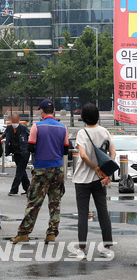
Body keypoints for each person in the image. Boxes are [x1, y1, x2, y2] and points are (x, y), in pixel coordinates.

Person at [12, 99, 69, 244]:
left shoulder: (36, 126)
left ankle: (24, 233)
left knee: (34, 202)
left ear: (41, 111)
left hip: (41, 168)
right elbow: (66, 149)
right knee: (55, 202)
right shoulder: (63, 127)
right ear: (54, 111)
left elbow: (30, 147)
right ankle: (51, 233)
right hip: (58, 168)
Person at [69, 103, 114, 259]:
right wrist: (105, 173)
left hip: (82, 179)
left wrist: (95, 168)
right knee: (103, 212)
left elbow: (82, 155)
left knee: (83, 213)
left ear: (83, 117)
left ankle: (81, 248)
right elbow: (112, 153)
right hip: (100, 180)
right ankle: (107, 246)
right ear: (98, 116)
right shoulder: (105, 131)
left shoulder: (82, 133)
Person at [2, 114, 31, 196]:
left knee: (19, 171)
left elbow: (31, 136)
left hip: (24, 152)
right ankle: (28, 189)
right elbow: (3, 135)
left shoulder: (23, 128)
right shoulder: (9, 128)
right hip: (16, 152)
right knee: (22, 171)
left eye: (16, 121)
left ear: (19, 120)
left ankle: (14, 189)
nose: (14, 123)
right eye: (13, 121)